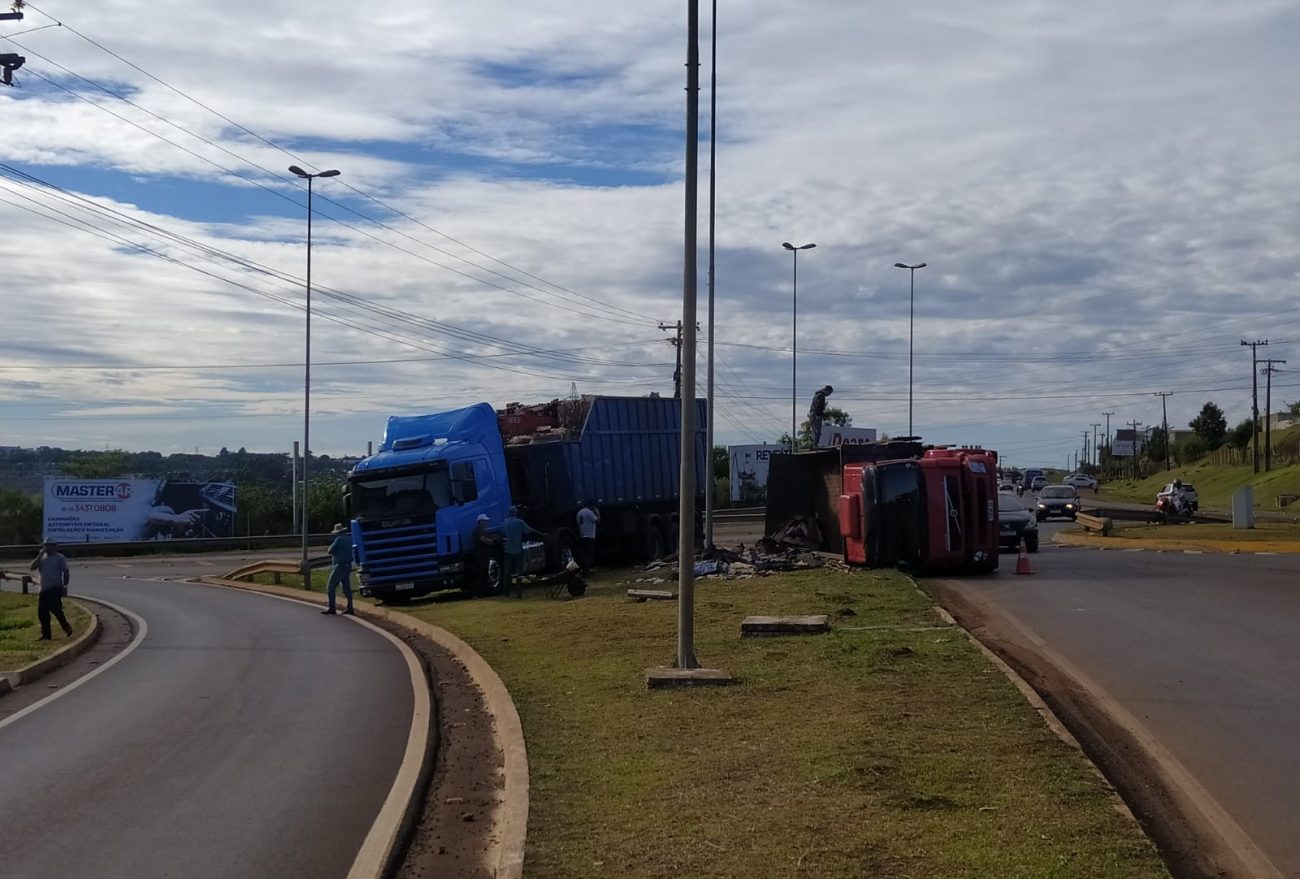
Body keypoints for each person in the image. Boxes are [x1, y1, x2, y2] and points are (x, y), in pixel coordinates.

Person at [493, 506, 543, 598]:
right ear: (515, 513)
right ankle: (519, 593)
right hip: (518, 550)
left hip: (508, 551)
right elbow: (530, 530)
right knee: (518, 573)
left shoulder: (504, 524)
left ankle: (506, 592)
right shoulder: (520, 522)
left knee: (507, 572)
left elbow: (500, 536)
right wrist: (542, 534)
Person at [29, 539, 73, 640]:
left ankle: (66, 627)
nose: (48, 548)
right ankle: (46, 635)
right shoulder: (42, 558)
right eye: (46, 546)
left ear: (55, 546)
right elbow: (32, 567)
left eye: (50, 545)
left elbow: (66, 572)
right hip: (44, 588)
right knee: (42, 613)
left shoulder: (60, 558)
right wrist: (39, 556)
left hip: (55, 587)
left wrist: (65, 586)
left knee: (56, 609)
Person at [323, 523, 355, 615]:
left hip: (339, 565)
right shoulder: (349, 539)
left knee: (331, 587)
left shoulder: (338, 540)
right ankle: (350, 607)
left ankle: (332, 608)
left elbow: (330, 551)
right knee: (346, 588)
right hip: (348, 565)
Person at [472, 513, 497, 595]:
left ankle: (482, 592)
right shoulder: (477, 531)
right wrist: (492, 542)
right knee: (481, 574)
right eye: (485, 521)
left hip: (484, 554)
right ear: (480, 521)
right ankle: (476, 593)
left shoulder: (483, 530)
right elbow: (483, 539)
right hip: (480, 555)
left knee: (485, 573)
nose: (486, 522)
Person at [576, 500, 600, 574]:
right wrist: (597, 512)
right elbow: (598, 521)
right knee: (589, 555)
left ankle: (584, 569)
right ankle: (586, 571)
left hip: (582, 535)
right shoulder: (589, 512)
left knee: (584, 554)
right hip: (590, 536)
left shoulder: (579, 512)